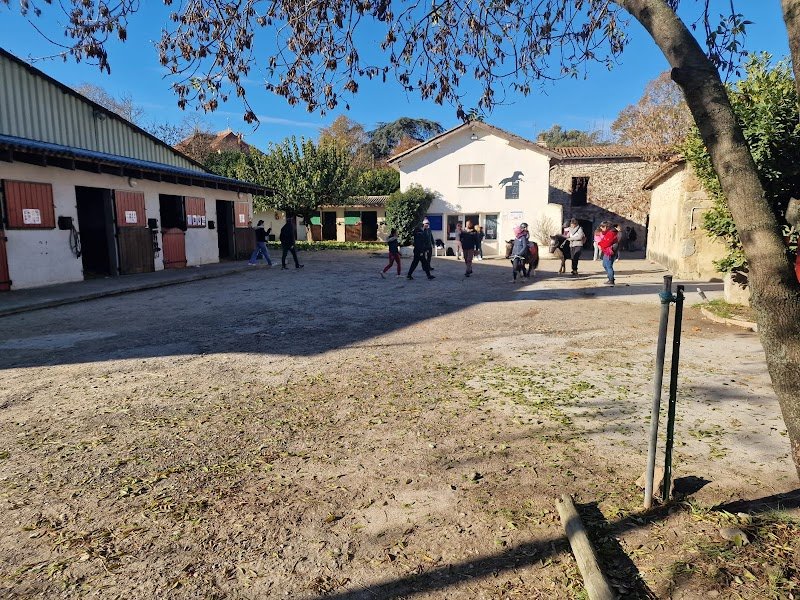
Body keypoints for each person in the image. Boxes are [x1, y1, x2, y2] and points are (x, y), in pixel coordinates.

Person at [597, 221, 619, 286]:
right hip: (607, 251)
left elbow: (607, 243)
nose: (601, 228)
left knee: (608, 266)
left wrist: (599, 243)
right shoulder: (609, 232)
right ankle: (610, 278)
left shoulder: (611, 233)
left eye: (602, 227)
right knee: (605, 265)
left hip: (609, 251)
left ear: (606, 227)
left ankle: (611, 280)